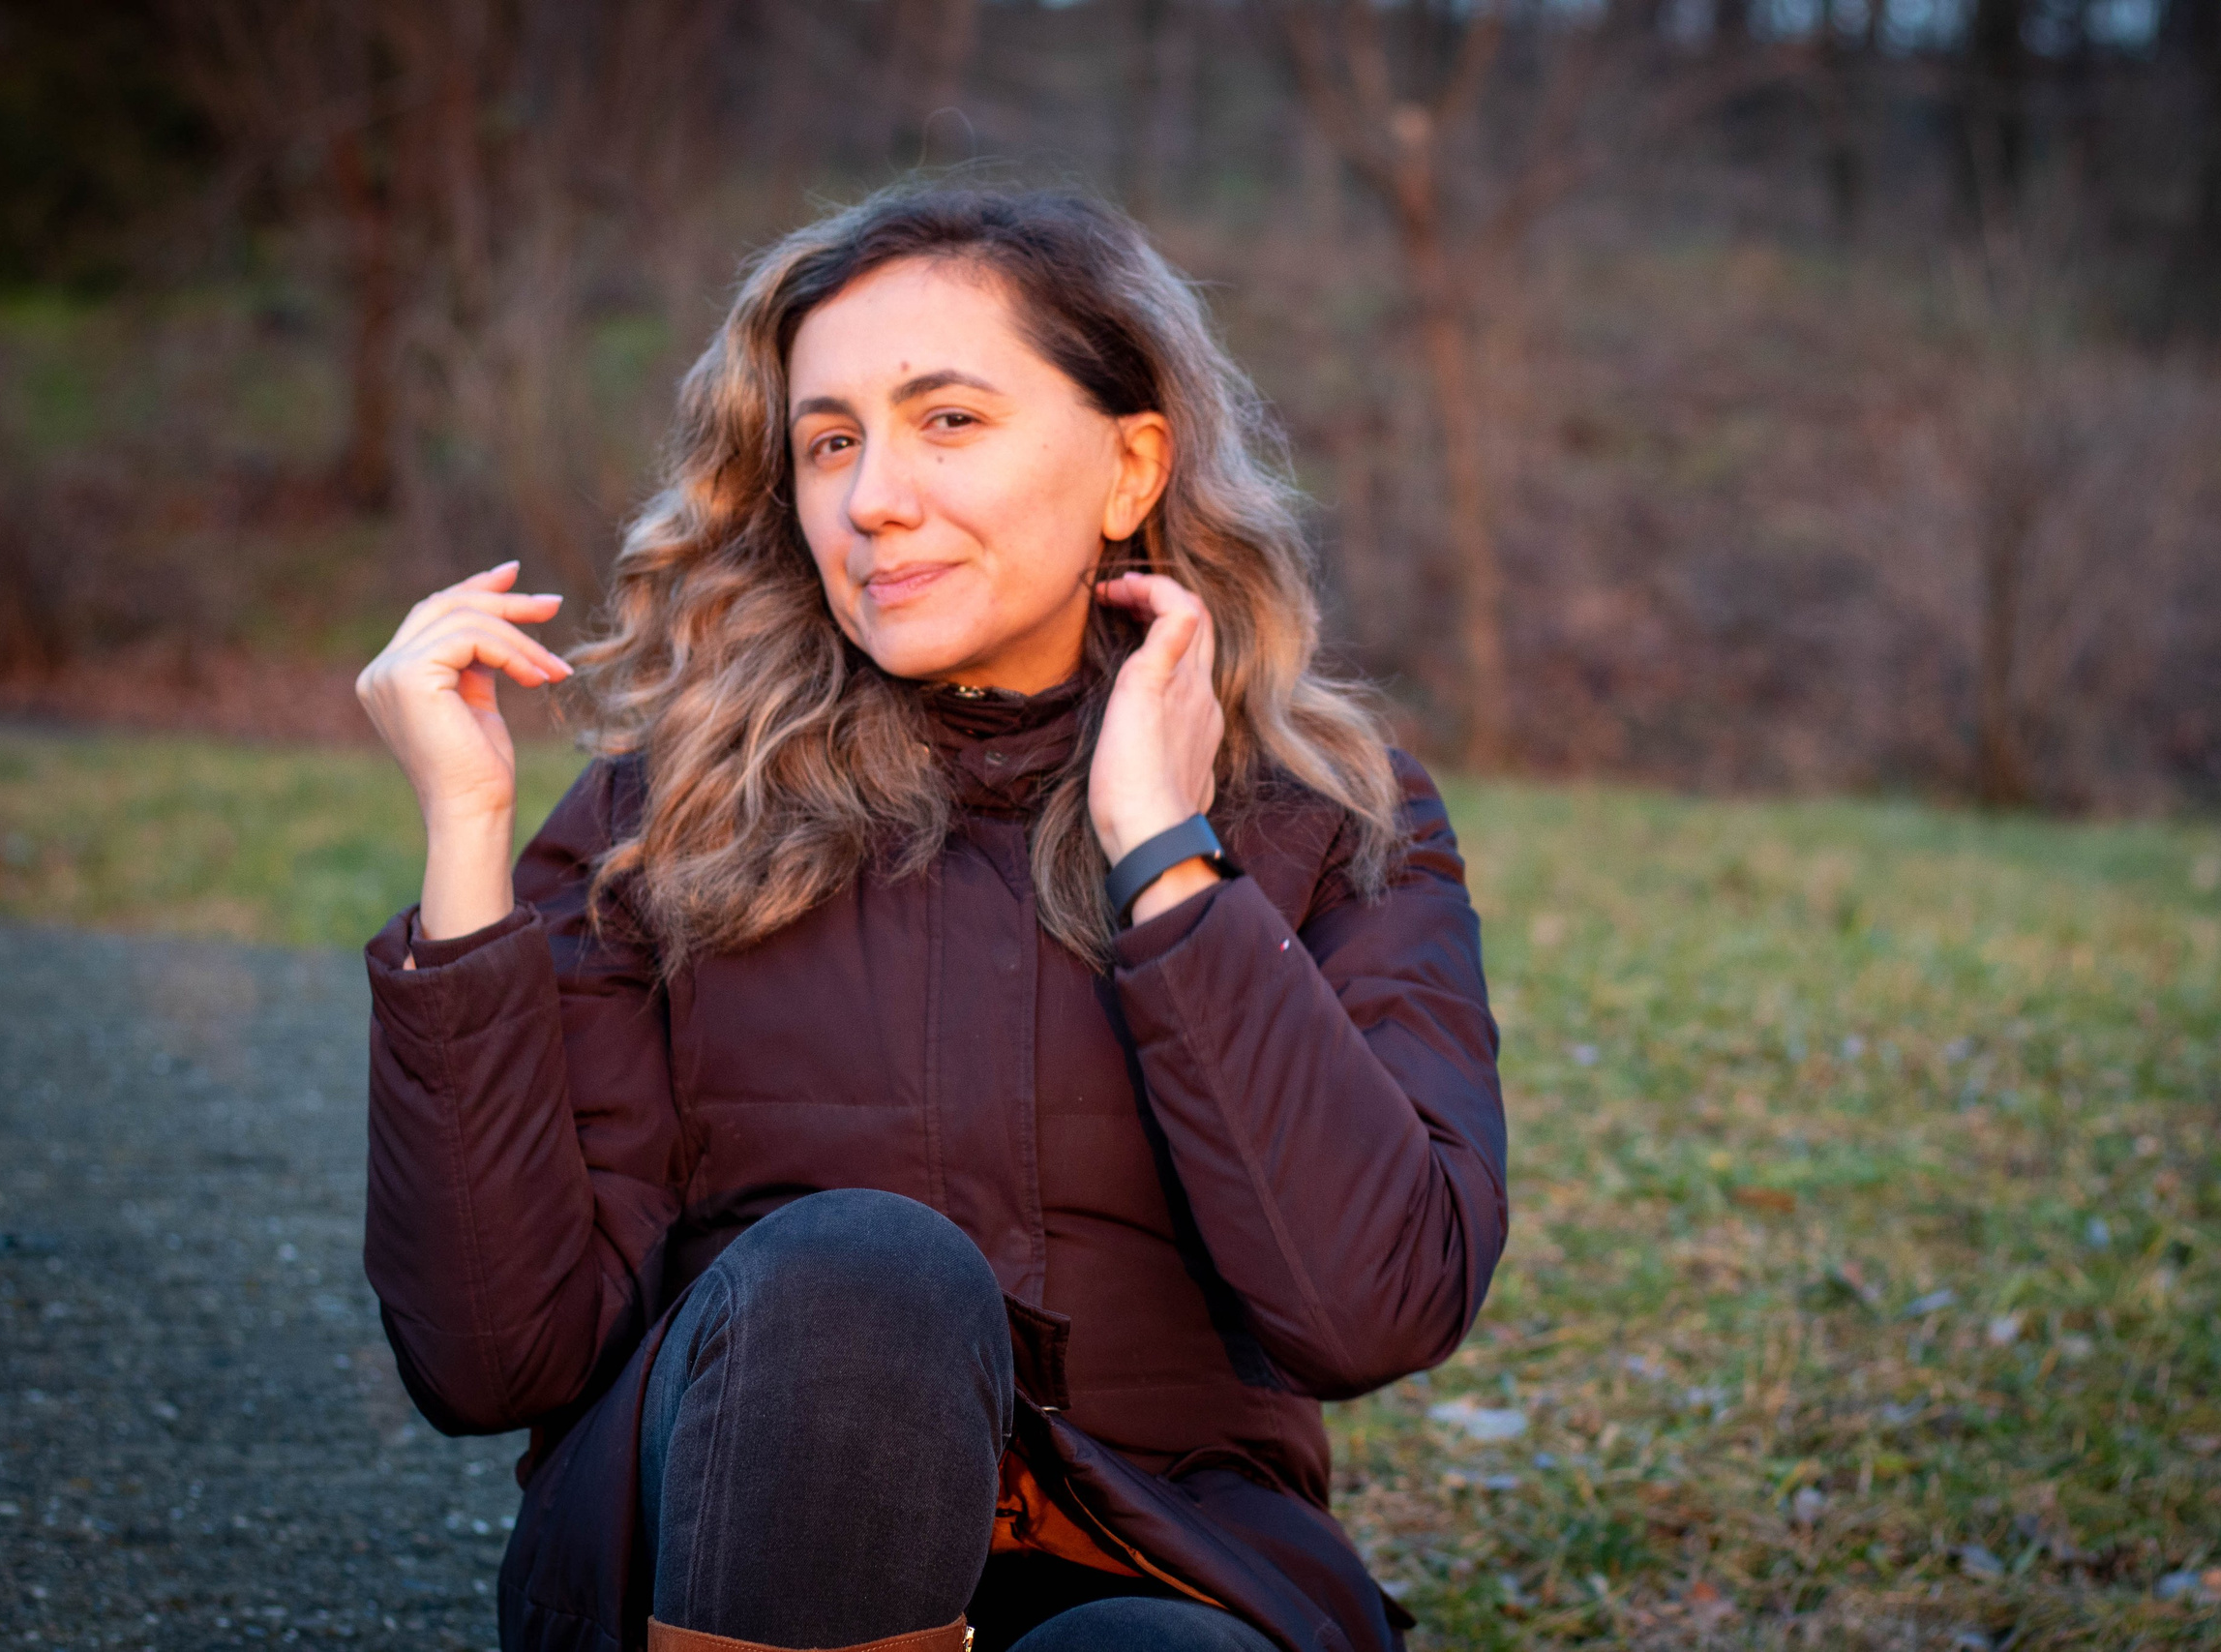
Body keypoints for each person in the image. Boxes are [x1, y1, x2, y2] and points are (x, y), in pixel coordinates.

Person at [353, 184, 1504, 1652]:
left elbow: (1377, 1311)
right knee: (867, 1278)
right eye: (830, 441)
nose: (870, 497)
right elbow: (492, 1357)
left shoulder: (1326, 819)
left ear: (1129, 467)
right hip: (739, 1555)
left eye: (946, 420)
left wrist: (1169, 861)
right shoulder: (669, 822)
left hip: (1163, 1560)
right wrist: (465, 849)